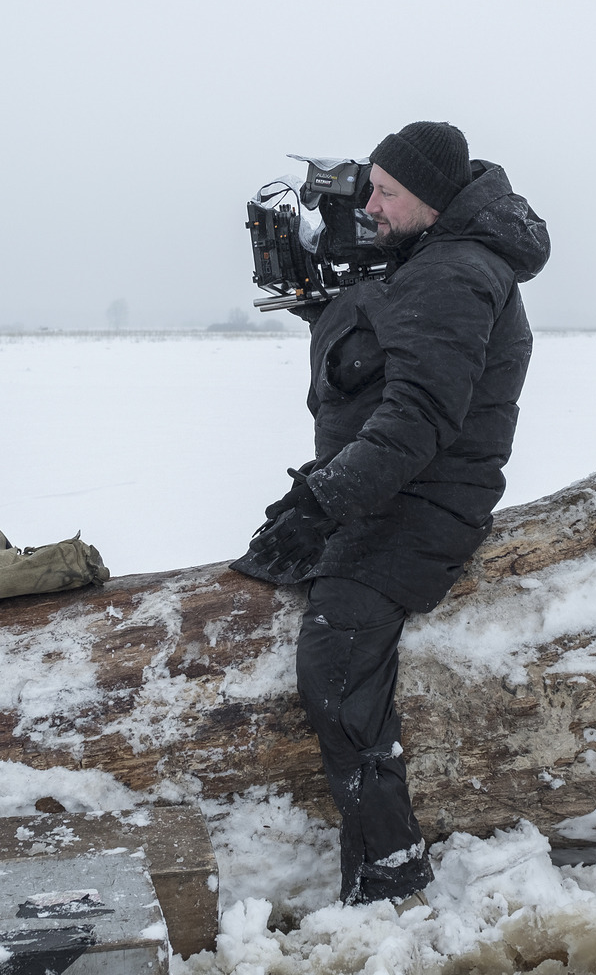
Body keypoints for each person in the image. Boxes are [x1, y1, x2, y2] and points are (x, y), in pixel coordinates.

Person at [232, 121, 550, 907]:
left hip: (423, 502)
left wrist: (325, 502)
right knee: (269, 569)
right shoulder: (427, 257)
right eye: (369, 186)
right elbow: (384, 355)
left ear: (434, 203)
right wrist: (327, 309)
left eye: (387, 193)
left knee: (334, 659)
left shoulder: (456, 274)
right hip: (383, 488)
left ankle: (391, 869)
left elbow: (417, 419)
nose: (368, 205)